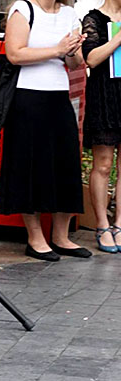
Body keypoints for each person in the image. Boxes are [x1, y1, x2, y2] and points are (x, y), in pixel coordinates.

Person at [0, 0, 92, 261]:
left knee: (65, 163)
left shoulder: (70, 14)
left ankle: (61, 237)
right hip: (26, 97)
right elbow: (14, 54)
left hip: (59, 96)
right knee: (30, 164)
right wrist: (56, 49)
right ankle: (35, 237)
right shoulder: (24, 9)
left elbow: (75, 64)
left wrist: (72, 50)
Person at [81, 0, 121, 253]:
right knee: (103, 164)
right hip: (105, 96)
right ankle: (102, 225)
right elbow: (92, 59)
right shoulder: (93, 18)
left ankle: (120, 223)